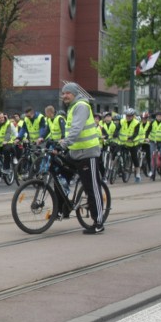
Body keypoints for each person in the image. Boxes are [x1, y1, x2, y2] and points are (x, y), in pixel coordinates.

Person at [56, 81, 104, 234]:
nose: (65, 96)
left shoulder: (81, 106)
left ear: (75, 94)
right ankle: (63, 209)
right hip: (75, 152)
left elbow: (76, 129)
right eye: (63, 93)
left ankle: (98, 222)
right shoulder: (71, 108)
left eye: (67, 93)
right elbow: (70, 131)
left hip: (87, 153)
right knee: (59, 174)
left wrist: (65, 143)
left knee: (91, 187)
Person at [119, 108, 143, 182]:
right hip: (124, 142)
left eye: (130, 116)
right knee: (118, 153)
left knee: (134, 158)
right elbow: (117, 129)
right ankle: (119, 169)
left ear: (133, 116)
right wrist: (115, 134)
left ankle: (138, 174)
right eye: (127, 116)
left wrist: (131, 138)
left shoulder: (136, 123)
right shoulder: (122, 121)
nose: (128, 117)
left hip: (133, 143)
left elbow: (136, 133)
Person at [146, 110, 161, 175]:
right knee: (152, 156)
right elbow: (147, 131)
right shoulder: (152, 123)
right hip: (153, 142)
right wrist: (147, 137)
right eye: (157, 116)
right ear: (156, 117)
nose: (158, 117)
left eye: (160, 116)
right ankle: (152, 171)